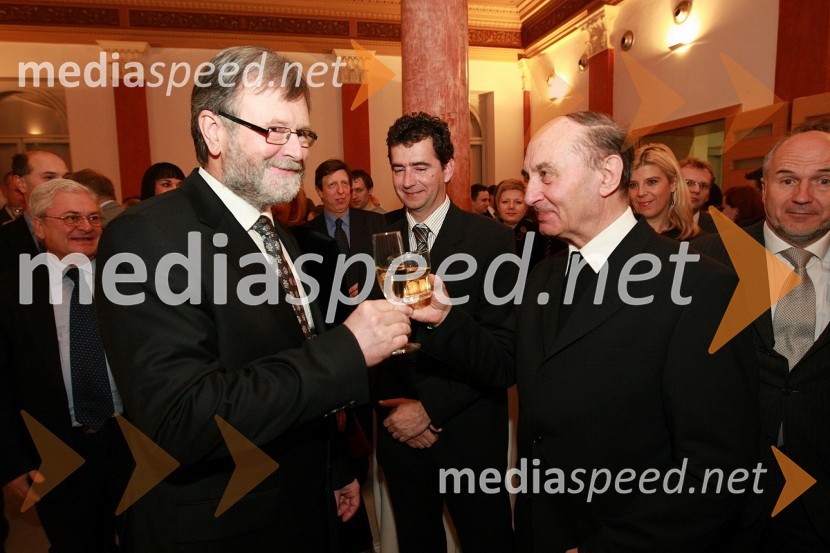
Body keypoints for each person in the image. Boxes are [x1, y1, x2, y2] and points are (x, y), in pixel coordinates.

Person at [95, 46, 411, 552]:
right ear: (213, 129)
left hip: (301, 505)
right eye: (275, 130)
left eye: (302, 133)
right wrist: (347, 348)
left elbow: (288, 362)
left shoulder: (275, 232)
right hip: (221, 526)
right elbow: (181, 418)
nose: (297, 150)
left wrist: (334, 468)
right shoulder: (144, 237)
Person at [412, 111, 759, 552]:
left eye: (546, 175)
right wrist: (445, 317)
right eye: (527, 176)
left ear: (607, 175)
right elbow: (504, 367)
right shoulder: (544, 275)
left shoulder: (699, 287)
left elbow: (717, 471)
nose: (531, 193)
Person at [374, 112, 515, 553]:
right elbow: (368, 338)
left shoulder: (491, 241)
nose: (408, 180)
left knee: (487, 541)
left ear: (448, 169)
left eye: (421, 167)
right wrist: (396, 412)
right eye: (399, 168)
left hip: (468, 432)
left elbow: (503, 356)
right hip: (399, 432)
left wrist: (430, 409)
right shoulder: (375, 241)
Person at [694, 121, 830, 552]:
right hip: (719, 505)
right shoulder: (698, 264)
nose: (803, 196)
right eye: (788, 180)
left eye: (824, 180)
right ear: (764, 183)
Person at [0, 179, 129, 552]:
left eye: (92, 217)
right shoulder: (11, 294)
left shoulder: (133, 282)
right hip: (57, 451)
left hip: (134, 443)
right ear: (39, 225)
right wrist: (11, 461)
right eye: (71, 217)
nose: (86, 227)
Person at [306, 159, 387, 325]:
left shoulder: (376, 223)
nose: (341, 191)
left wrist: (370, 287)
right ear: (319, 191)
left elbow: (391, 268)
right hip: (329, 323)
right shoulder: (307, 234)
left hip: (373, 318)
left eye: (344, 183)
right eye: (332, 185)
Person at [0, 151, 69, 274]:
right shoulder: (5, 240)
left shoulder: (86, 231)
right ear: (21, 183)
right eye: (49, 177)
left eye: (66, 178)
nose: (62, 184)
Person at [629, 143, 700, 239]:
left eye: (651, 182)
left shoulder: (696, 243)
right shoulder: (616, 239)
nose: (641, 192)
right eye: (633, 185)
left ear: (673, 183)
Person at [495, 177, 560, 270]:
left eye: (518, 202)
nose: (511, 206)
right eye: (505, 202)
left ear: (526, 206)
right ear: (498, 205)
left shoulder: (540, 232)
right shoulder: (489, 232)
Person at [680, 157, 719, 232]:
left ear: (708, 195)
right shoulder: (655, 222)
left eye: (704, 186)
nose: (697, 190)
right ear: (672, 185)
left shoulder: (719, 229)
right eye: (689, 183)